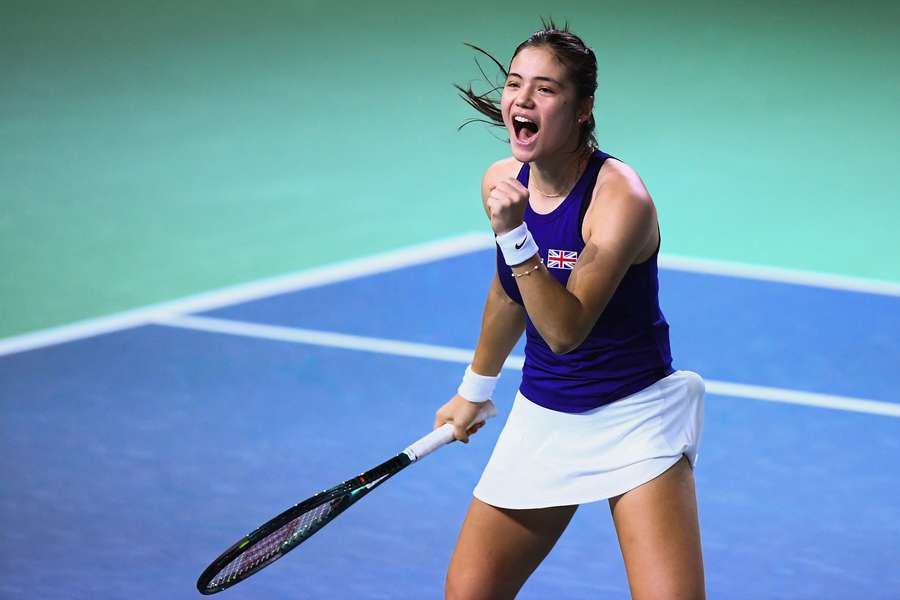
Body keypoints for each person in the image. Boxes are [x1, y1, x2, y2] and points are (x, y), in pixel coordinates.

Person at [434, 20, 707, 600]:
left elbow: (564, 331)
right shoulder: (503, 180)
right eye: (514, 84)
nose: (522, 101)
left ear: (584, 108)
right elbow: (509, 293)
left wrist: (515, 233)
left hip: (635, 417)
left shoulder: (620, 198)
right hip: (547, 414)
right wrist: (474, 389)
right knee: (469, 593)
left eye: (546, 89)